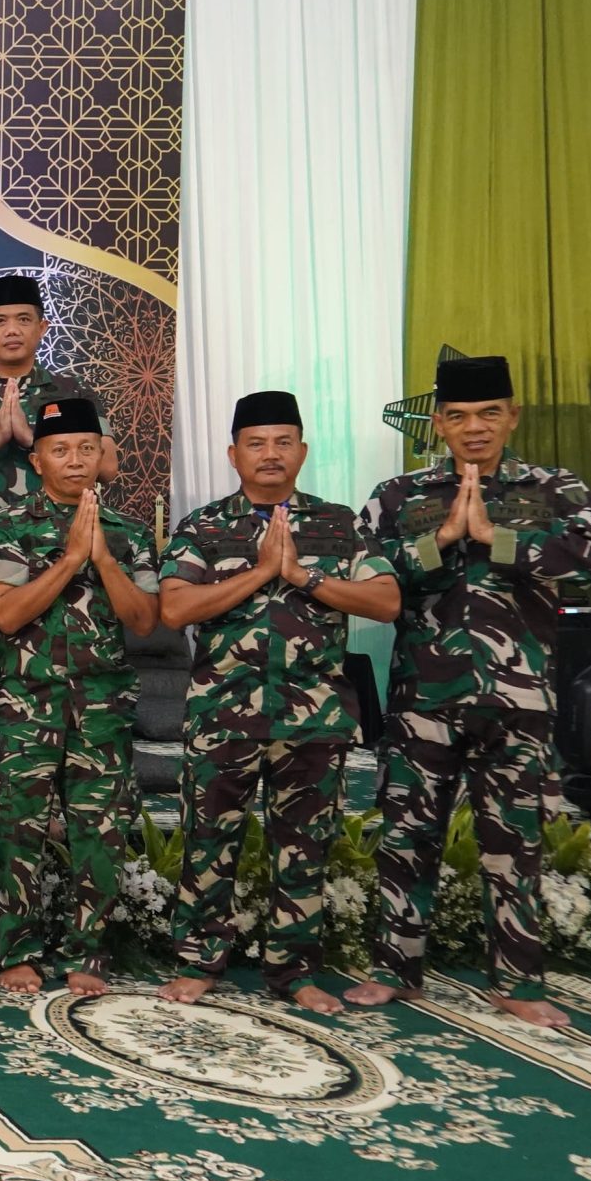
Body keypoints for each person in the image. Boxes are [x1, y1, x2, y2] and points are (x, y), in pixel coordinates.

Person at [349, 355, 591, 1030]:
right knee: (407, 837)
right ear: (439, 423)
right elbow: (366, 572)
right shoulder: (400, 496)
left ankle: (517, 980)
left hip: (519, 700)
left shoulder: (553, 488)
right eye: (459, 416)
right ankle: (394, 969)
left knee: (515, 844)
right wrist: (442, 539)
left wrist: (498, 538)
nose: (475, 427)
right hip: (424, 696)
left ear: (512, 416)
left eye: (489, 413)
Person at [156, 391, 397, 1016]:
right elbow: (175, 609)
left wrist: (303, 576)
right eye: (256, 443)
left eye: (283, 442)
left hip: (313, 715)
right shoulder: (205, 526)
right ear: (233, 454)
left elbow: (385, 601)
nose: (270, 454)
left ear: (302, 451)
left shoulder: (339, 524)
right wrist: (261, 572)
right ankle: (199, 962)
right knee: (208, 845)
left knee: (305, 850)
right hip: (223, 714)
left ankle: (294, 970)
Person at [0, 396, 160, 994]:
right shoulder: (7, 526)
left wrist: (103, 558)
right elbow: (7, 616)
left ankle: (89, 954)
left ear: (102, 454)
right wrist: (69, 561)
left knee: (99, 833)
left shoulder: (129, 533)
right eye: (60, 450)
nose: (76, 460)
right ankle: (17, 951)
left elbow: (144, 621)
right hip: (25, 704)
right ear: (37, 460)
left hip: (102, 706)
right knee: (18, 831)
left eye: (87, 448)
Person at [0, 275, 118, 525]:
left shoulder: (74, 391)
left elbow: (107, 468)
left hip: (59, 533)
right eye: (0, 321)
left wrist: (30, 439)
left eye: (23, 319)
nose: (12, 330)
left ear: (42, 328)